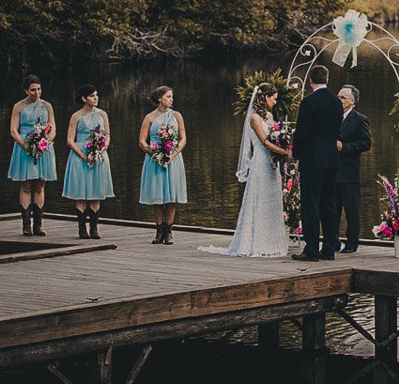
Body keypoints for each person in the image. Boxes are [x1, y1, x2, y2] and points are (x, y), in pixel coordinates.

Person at [200, 82, 293, 258]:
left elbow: (275, 138)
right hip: (261, 163)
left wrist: (283, 144)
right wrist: (286, 152)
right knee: (259, 199)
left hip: (272, 164)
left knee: (272, 201)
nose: (275, 102)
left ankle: (271, 242)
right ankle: (256, 243)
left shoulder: (270, 116)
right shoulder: (254, 118)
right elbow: (265, 142)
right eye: (273, 98)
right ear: (265, 97)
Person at [291, 64, 340, 261]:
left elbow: (301, 133)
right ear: (327, 79)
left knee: (310, 204)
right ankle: (328, 249)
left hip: (312, 159)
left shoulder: (308, 103)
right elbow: (337, 128)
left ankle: (311, 249)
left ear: (311, 81)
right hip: (331, 159)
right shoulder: (336, 103)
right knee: (329, 204)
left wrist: (296, 153)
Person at [61, 85, 114, 239]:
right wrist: (84, 156)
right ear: (84, 98)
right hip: (80, 155)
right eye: (91, 96)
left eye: (96, 95)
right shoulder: (76, 116)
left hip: (98, 155)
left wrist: (102, 148)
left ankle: (94, 228)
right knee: (81, 192)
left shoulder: (102, 114)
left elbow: (107, 134)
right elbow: (70, 140)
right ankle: (82, 228)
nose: (95, 98)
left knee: (96, 191)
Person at [7, 75, 57, 236]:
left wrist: (45, 143)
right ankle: (26, 224)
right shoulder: (19, 106)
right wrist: (26, 146)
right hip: (25, 146)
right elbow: (13, 131)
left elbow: (52, 128)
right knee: (26, 185)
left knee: (40, 185)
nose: (37, 93)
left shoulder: (47, 106)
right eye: (33, 90)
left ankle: (38, 224)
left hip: (43, 147)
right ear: (26, 91)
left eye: (39, 89)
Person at [138, 85, 188, 244]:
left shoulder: (177, 115)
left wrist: (172, 155)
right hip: (155, 159)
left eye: (172, 96)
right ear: (160, 98)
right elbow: (142, 141)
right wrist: (155, 154)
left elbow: (183, 139)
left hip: (173, 159)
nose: (171, 99)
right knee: (157, 196)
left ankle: (169, 231)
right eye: (168, 96)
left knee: (171, 196)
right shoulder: (149, 118)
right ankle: (159, 231)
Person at [333, 85, 372, 254]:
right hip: (331, 170)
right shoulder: (330, 117)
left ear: (352, 102)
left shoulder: (360, 120)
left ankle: (352, 242)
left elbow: (366, 143)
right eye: (338, 96)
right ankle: (332, 241)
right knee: (331, 209)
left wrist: (344, 147)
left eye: (343, 98)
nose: (339, 100)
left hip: (349, 172)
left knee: (351, 210)